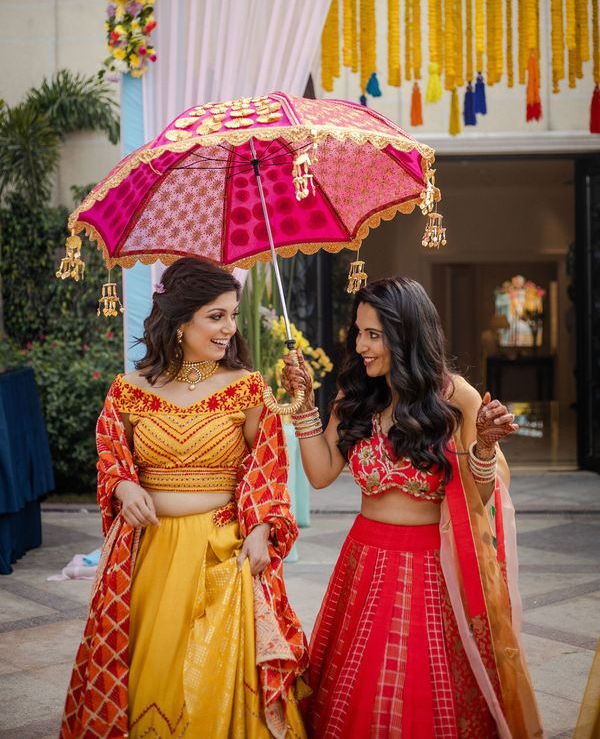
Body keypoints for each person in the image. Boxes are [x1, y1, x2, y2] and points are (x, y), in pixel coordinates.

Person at [283, 277, 544, 739]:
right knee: (360, 689)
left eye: (374, 335)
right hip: (363, 566)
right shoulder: (356, 397)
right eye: (358, 332)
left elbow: (485, 498)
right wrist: (305, 407)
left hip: (432, 570)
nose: (361, 345)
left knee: (422, 691)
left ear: (406, 335)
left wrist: (482, 446)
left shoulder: (454, 397)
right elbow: (321, 474)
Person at [61, 257, 308, 739]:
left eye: (233, 315)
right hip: (150, 555)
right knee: (155, 670)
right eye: (216, 316)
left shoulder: (247, 388)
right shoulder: (128, 392)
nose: (229, 329)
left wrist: (260, 529)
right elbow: (110, 458)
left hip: (224, 555)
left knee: (215, 682)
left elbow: (268, 466)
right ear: (179, 323)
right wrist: (124, 484)